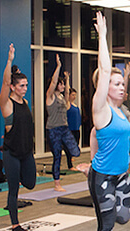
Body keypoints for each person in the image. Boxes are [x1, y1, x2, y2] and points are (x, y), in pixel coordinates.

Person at [89, 11, 130, 231]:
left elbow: (96, 136)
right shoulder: (101, 108)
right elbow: (105, 70)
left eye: (122, 83)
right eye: (116, 84)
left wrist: (91, 155)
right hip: (104, 176)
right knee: (106, 224)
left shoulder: (122, 112)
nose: (122, 86)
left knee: (123, 217)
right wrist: (103, 37)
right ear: (103, 88)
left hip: (120, 174)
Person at [0, 44, 37, 231]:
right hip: (11, 152)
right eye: (21, 85)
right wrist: (9, 61)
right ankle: (15, 224)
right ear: (13, 87)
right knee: (13, 189)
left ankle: (18, 174)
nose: (25, 88)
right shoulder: (6, 104)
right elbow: (6, 83)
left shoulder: (26, 103)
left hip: (26, 152)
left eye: (26, 85)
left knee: (30, 183)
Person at [46, 55, 80, 191]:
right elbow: (53, 83)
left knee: (76, 151)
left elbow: (67, 93)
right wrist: (58, 66)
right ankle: (57, 183)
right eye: (61, 84)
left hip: (64, 128)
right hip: (53, 129)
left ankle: (71, 163)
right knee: (57, 156)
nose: (62, 86)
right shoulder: (50, 96)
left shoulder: (61, 97)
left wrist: (67, 80)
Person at [66, 87, 82, 169]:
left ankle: (71, 157)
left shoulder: (75, 105)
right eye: (72, 95)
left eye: (75, 95)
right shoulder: (68, 105)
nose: (74, 97)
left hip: (76, 128)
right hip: (70, 129)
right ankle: (70, 165)